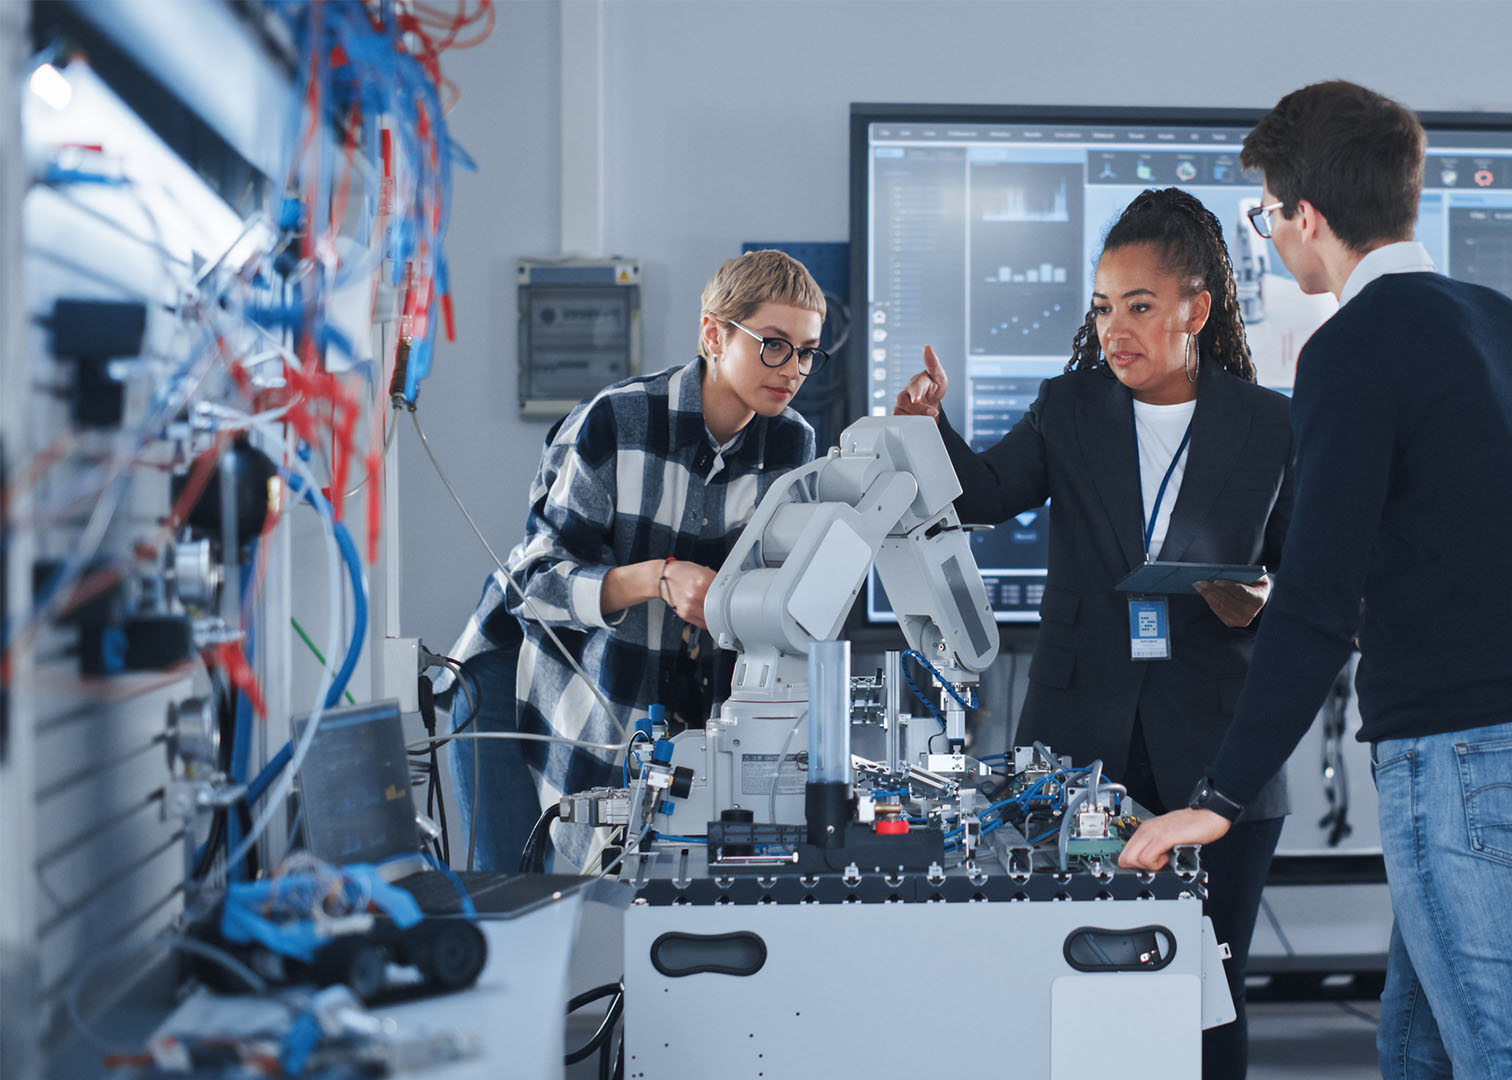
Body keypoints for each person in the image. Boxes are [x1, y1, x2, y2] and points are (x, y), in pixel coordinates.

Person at [1119, 81, 1512, 1080]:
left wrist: (1218, 796)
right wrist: (1457, 598)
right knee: (1416, 1039)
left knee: (1505, 1061)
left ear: (1308, 217)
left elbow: (1313, 594)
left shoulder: (1353, 347)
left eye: (1266, 214)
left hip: (1459, 763)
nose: (1266, 236)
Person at [897, 187, 1294, 1080]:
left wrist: (1262, 597)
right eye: (1104, 308)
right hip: (1080, 735)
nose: (1117, 329)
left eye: (1141, 307)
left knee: (1209, 987)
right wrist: (927, 432)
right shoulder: (1068, 408)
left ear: (1197, 307)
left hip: (1219, 744)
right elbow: (985, 492)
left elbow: (1309, 570)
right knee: (1072, 977)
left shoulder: (1269, 424)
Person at [436, 250, 823, 871]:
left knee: (634, 897)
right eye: (774, 344)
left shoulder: (793, 445)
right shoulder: (616, 422)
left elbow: (784, 601)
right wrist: (658, 579)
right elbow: (533, 586)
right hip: (524, 682)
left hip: (655, 687)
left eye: (806, 352)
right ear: (713, 335)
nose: (793, 369)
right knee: (521, 901)